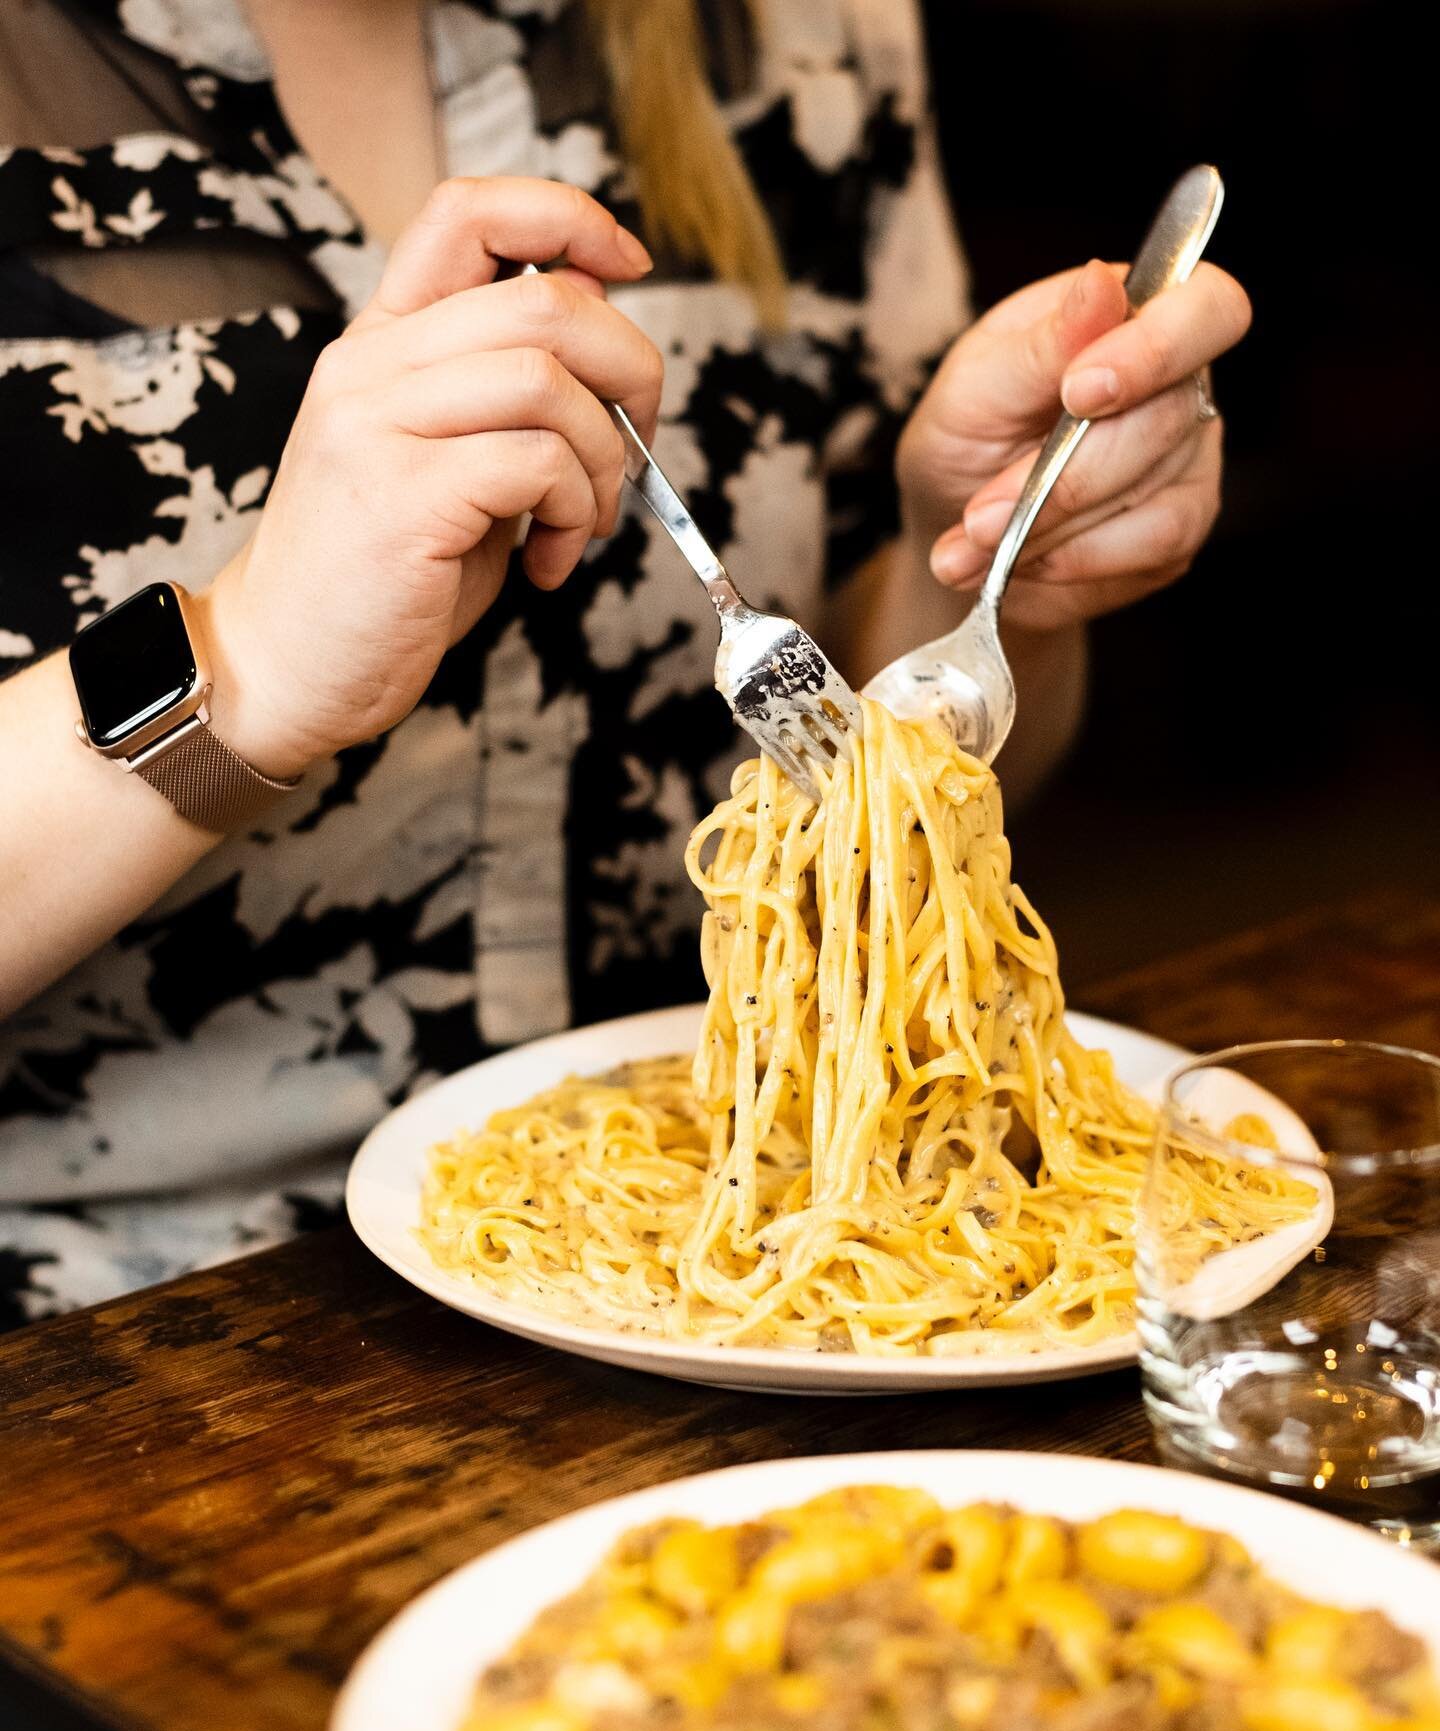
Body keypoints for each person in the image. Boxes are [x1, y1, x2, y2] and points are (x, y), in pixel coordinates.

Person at [0, 0, 1249, 1327]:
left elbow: (882, 760)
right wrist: (240, 664)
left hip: (760, 1275)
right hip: (103, 1352)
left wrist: (978, 559)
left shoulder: (811, 31)